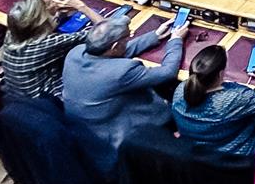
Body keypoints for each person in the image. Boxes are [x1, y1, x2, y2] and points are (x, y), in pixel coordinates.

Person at [62, 12, 184, 158]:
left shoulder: (76, 53)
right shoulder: (121, 73)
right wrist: (176, 40)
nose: (127, 43)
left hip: (87, 131)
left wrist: (155, 36)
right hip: (118, 140)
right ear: (114, 46)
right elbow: (167, 72)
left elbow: (114, 55)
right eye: (126, 41)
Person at [171, 43, 255, 156]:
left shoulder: (181, 90)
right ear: (220, 74)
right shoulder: (232, 99)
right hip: (235, 154)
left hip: (199, 152)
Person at [0, 0, 90, 102]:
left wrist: (55, 12)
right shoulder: (47, 43)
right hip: (46, 103)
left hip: (16, 96)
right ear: (43, 19)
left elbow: (39, 25)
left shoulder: (13, 31)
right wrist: (82, 7)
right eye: (49, 3)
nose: (54, 2)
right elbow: (107, 35)